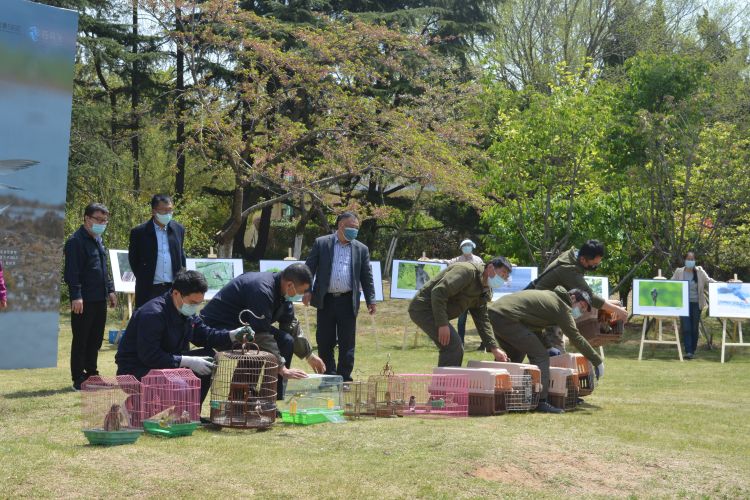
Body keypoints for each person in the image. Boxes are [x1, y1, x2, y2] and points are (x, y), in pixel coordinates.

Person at [115, 270, 252, 403]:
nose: (195, 307)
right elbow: (150, 356)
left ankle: (190, 414)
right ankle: (133, 407)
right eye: (192, 303)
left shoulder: (187, 313)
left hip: (166, 365)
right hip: (135, 370)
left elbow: (205, 335)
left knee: (208, 357)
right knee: (180, 385)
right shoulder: (152, 314)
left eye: (199, 303)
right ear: (176, 293)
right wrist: (188, 361)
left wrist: (231, 335)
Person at [200, 263, 326, 397]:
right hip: (219, 328)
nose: (300, 297)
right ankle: (240, 399)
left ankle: (270, 398)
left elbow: (290, 325)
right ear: (290, 285)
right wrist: (281, 368)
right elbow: (260, 334)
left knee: (285, 340)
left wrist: (308, 355)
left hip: (248, 327)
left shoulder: (284, 294)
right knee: (254, 348)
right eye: (300, 293)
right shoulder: (261, 289)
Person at [488, 286, 604, 414]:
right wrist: (597, 360)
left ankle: (495, 394)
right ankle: (541, 401)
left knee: (514, 356)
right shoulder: (562, 307)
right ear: (572, 298)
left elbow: (534, 326)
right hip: (508, 317)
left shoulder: (551, 297)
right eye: (581, 306)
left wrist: (548, 346)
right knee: (540, 356)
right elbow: (575, 337)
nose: (580, 311)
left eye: (583, 310)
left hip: (497, 313)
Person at [303, 212, 376, 381]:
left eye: (357, 228)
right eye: (352, 227)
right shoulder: (322, 243)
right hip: (326, 300)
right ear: (341, 226)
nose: (354, 231)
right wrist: (307, 290)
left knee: (347, 342)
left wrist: (371, 299)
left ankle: (344, 377)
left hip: (348, 301)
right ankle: (329, 376)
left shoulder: (361, 249)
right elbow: (309, 268)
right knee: (324, 340)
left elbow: (367, 276)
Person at [408, 257, 513, 367]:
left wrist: (494, 347)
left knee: (454, 346)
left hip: (436, 311)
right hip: (423, 308)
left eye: (505, 278)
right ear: (491, 267)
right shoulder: (466, 272)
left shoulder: (485, 290)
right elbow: (439, 292)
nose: (502, 279)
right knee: (453, 346)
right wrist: (442, 324)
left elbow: (482, 320)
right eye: (502, 274)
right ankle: (445, 383)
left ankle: (448, 382)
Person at [528, 240, 628, 352]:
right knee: (555, 354)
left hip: (549, 308)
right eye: (593, 265)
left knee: (548, 353)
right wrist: (617, 310)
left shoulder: (573, 257)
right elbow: (590, 297)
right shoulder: (569, 270)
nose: (595, 268)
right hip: (541, 311)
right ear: (582, 259)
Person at [63, 203, 118, 390]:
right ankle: (78, 378)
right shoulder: (75, 241)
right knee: (81, 338)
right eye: (98, 219)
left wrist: (110, 290)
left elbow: (104, 269)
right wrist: (76, 295)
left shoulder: (98, 240)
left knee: (95, 339)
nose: (102, 223)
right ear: (87, 218)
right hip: (83, 300)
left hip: (99, 298)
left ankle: (92, 374)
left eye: (105, 220)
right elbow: (72, 272)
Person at [128, 194, 186, 309]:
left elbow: (181, 257)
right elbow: (134, 260)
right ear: (154, 211)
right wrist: (144, 276)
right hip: (149, 288)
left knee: (172, 322)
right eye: (163, 211)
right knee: (148, 321)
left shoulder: (178, 229)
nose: (168, 214)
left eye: (170, 210)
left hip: (173, 288)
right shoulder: (139, 232)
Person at [671, 251, 716, 359]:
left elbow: (710, 281)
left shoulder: (700, 271)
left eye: (692, 259)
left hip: (696, 303)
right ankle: (689, 351)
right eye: (688, 259)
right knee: (686, 327)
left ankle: (693, 349)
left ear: (694, 260)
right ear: (685, 260)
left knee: (694, 327)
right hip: (683, 304)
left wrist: (725, 283)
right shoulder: (679, 271)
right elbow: (671, 283)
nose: (690, 261)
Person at [447, 239, 484, 344]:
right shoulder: (457, 260)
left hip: (476, 296)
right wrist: (429, 260)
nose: (466, 247)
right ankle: (460, 342)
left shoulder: (478, 260)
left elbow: (486, 271)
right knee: (461, 321)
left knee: (480, 321)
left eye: (468, 245)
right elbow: (445, 262)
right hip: (463, 296)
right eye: (464, 245)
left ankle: (484, 344)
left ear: (472, 247)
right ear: (461, 248)